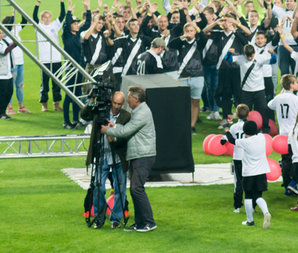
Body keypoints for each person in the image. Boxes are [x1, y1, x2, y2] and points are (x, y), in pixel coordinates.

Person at [101, 85, 157, 232]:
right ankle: (139, 222)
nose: (127, 99)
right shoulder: (138, 111)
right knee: (134, 190)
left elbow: (126, 131)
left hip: (143, 155)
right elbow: (128, 128)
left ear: (136, 99)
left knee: (137, 189)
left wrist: (108, 130)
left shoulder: (141, 113)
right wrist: (115, 126)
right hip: (139, 155)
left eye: (129, 97)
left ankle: (149, 222)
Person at [81, 91, 130, 228]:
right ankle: (99, 216)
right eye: (114, 103)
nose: (116, 106)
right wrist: (91, 100)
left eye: (119, 104)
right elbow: (84, 115)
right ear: (111, 100)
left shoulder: (127, 116)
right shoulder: (100, 111)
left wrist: (113, 135)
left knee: (120, 190)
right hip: (102, 155)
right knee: (98, 187)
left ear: (123, 103)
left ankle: (116, 219)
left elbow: (128, 136)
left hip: (119, 157)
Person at [223, 118, 272, 228]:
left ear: (245, 132)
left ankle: (250, 221)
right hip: (261, 172)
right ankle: (266, 212)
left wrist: (226, 129)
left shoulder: (244, 142)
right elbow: (256, 131)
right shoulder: (261, 138)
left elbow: (231, 140)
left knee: (248, 196)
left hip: (248, 173)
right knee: (258, 196)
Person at [268, 74, 298, 196]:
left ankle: (287, 187)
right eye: (296, 82)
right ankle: (293, 184)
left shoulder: (278, 98)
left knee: (286, 161)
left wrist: (281, 94)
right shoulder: (297, 99)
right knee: (297, 160)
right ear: (291, 85)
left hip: (282, 135)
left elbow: (270, 105)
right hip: (294, 134)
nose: (297, 84)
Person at [169, 23, 207, 134]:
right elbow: (171, 44)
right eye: (187, 31)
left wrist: (198, 28)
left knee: (195, 102)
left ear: (195, 32)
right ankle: (182, 124)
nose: (189, 33)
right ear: (184, 32)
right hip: (183, 76)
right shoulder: (181, 42)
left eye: (191, 31)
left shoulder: (199, 43)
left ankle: (192, 126)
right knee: (181, 102)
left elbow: (204, 38)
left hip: (197, 75)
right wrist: (182, 37)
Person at [32, 0, 65, 113]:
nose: (47, 19)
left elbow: (62, 15)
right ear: (41, 19)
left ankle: (56, 104)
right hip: (45, 60)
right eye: (45, 17)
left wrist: (62, 2)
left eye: (48, 17)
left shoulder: (55, 25)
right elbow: (34, 16)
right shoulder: (38, 26)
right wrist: (38, 2)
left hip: (56, 58)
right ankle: (44, 105)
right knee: (44, 84)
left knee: (57, 83)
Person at [0, 29, 18, 121]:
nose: (1, 35)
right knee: (2, 94)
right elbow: (5, 51)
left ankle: (2, 112)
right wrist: (15, 44)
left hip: (8, 73)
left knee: (9, 92)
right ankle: (1, 112)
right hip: (1, 74)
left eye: (2, 33)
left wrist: (14, 43)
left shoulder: (3, 41)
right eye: (0, 33)